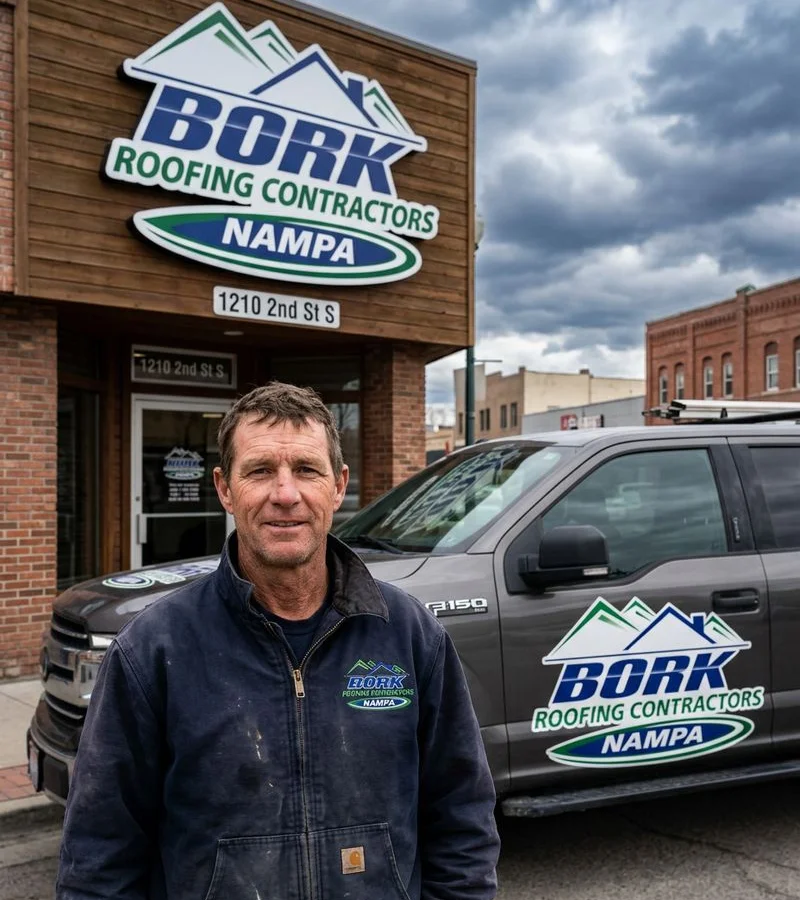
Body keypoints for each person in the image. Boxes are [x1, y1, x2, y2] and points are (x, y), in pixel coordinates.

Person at [56, 381, 500, 900]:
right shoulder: (153, 650)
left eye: (307, 470)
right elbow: (100, 855)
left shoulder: (407, 633)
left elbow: (462, 817)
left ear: (338, 485)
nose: (285, 494)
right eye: (261, 470)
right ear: (225, 488)